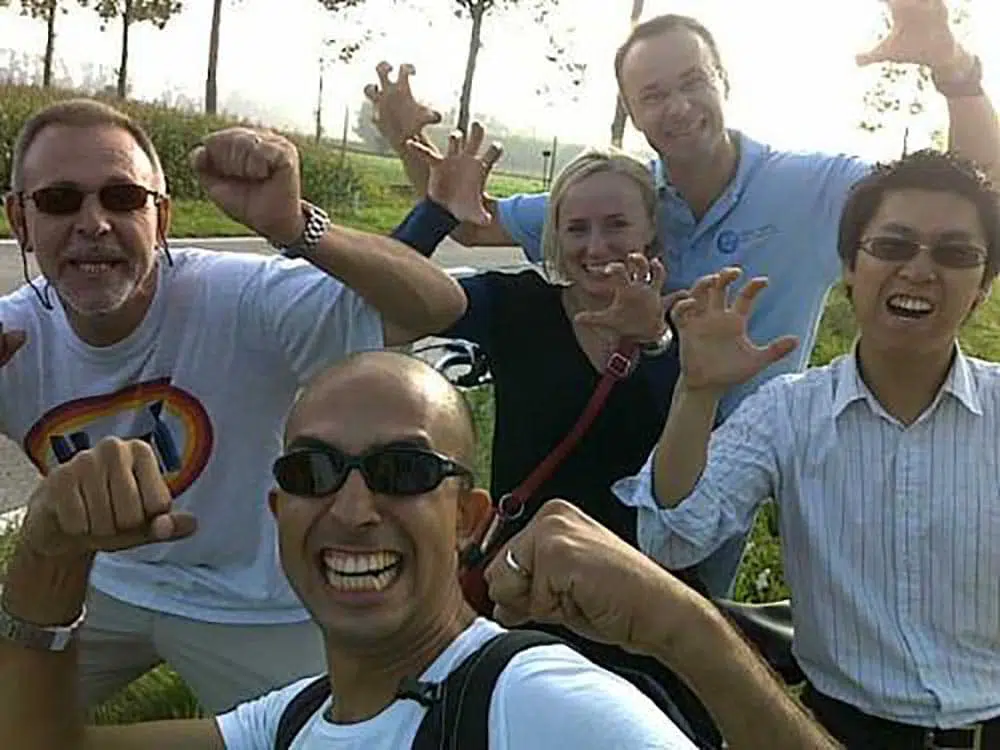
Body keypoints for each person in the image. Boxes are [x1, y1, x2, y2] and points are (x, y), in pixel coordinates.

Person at [363, 0, 1000, 596]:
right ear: (632, 112)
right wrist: (406, 144)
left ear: (724, 81)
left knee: (686, 631)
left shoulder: (810, 187)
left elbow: (973, 190)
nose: (678, 107)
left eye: (693, 82)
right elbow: (474, 220)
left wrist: (953, 70)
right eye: (653, 94)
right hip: (610, 448)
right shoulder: (625, 198)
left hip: (732, 470)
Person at [0, 350, 840, 750]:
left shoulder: (535, 704)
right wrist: (49, 553)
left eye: (403, 471)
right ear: (279, 511)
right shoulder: (295, 720)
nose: (352, 509)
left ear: (467, 518)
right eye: (313, 471)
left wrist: (688, 632)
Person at [0, 97, 467, 714]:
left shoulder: (239, 297)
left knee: (349, 733)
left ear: (161, 219)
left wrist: (295, 226)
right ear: (20, 220)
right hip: (105, 582)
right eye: (59, 200)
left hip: (253, 597)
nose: (94, 223)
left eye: (123, 198)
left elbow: (435, 306)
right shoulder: (12, 338)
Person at [614, 149, 1000, 749]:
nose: (919, 271)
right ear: (849, 267)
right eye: (892, 246)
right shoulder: (788, 413)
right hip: (835, 733)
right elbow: (670, 539)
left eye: (954, 254)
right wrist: (698, 392)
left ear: (981, 288)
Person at [387, 126, 726, 747]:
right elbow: (382, 300)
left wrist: (653, 344)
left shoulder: (695, 327)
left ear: (651, 231)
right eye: (576, 229)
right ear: (555, 238)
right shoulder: (514, 304)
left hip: (644, 601)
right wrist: (436, 213)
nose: (596, 247)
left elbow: (690, 478)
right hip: (524, 589)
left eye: (616, 225)